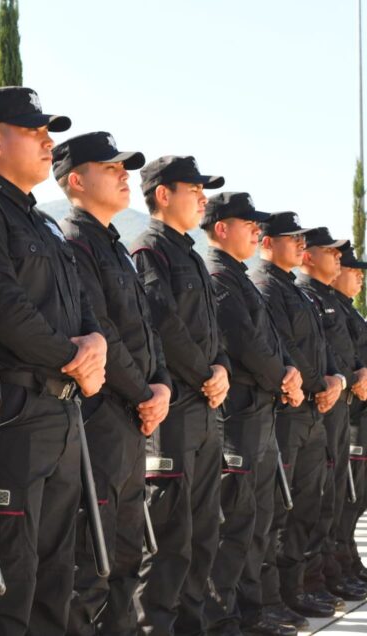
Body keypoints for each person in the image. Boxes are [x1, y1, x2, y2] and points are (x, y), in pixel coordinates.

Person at [0, 87, 107, 635]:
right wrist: (74, 356)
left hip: (62, 415)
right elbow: (4, 309)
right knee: (10, 577)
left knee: (55, 573)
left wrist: (95, 344)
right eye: (34, 132)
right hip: (18, 413)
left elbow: (82, 305)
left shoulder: (43, 222)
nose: (49, 143)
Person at [52, 131, 172, 635]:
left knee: (126, 553)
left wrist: (161, 385)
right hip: (100, 419)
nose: (124, 175)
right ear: (77, 181)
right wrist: (145, 394)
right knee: (92, 561)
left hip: (131, 421)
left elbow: (147, 331)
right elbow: (100, 331)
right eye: (111, 168)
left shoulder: (114, 245)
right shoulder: (74, 242)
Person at [130, 155, 230, 635]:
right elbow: (163, 323)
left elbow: (214, 332)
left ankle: (193, 625)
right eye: (194, 189)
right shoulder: (149, 251)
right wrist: (206, 373)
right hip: (175, 412)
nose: (202, 199)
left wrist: (222, 368)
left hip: (205, 410)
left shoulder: (190, 254)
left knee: (203, 531)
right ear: (164, 194)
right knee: (169, 534)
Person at [201, 193, 303, 636]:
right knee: (234, 523)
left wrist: (289, 371)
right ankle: (222, 618)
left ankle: (250, 610)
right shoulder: (219, 277)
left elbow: (271, 340)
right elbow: (243, 342)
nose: (257, 232)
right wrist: (284, 377)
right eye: (249, 224)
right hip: (238, 416)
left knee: (258, 520)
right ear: (222, 228)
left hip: (260, 414)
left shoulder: (239, 278)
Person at [250, 214, 340, 624]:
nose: (301, 245)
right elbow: (285, 346)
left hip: (312, 410)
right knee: (278, 511)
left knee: (307, 504)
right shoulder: (267, 285)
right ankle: (275, 596)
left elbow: (321, 346)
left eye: (303, 239)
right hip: (289, 410)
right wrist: (321, 383)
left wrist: (335, 378)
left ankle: (297, 587)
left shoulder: (293, 290)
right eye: (293, 238)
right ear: (268, 243)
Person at [296, 228, 367, 604]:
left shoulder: (334, 304)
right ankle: (314, 577)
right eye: (349, 266)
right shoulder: (308, 296)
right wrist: (352, 377)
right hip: (324, 408)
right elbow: (320, 353)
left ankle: (335, 567)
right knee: (321, 500)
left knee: (338, 497)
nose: (353, 273)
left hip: (343, 406)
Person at [332, 244, 367, 585]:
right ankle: (339, 565)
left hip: (356, 415)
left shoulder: (348, 310)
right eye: (353, 271)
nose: (359, 277)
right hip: (351, 415)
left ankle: (347, 560)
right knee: (347, 498)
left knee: (355, 500)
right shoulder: (331, 309)